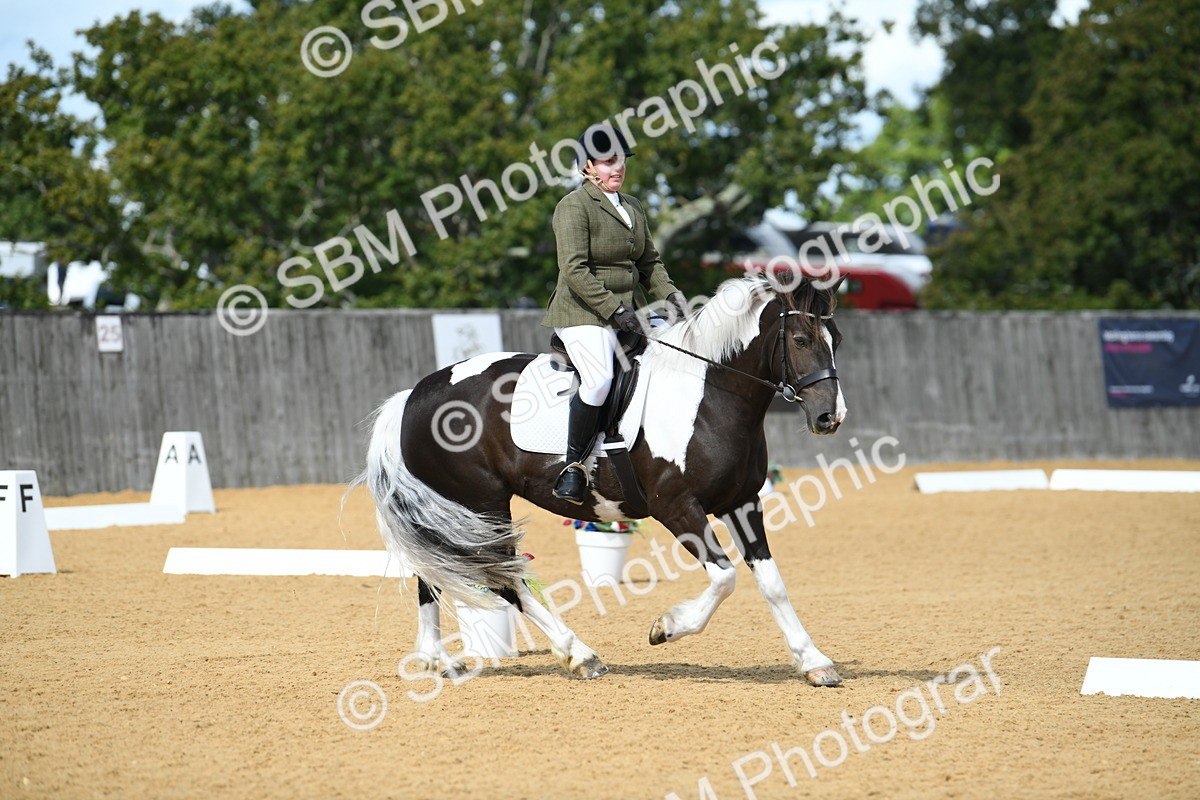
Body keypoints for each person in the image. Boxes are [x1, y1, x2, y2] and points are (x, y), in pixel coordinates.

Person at [541, 123, 689, 504]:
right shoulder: (573, 206)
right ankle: (573, 466)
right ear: (588, 166)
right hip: (583, 313)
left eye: (620, 159)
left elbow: (649, 263)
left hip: (630, 311)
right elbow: (574, 270)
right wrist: (615, 309)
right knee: (599, 379)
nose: (618, 167)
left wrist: (672, 297)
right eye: (608, 161)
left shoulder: (633, 206)